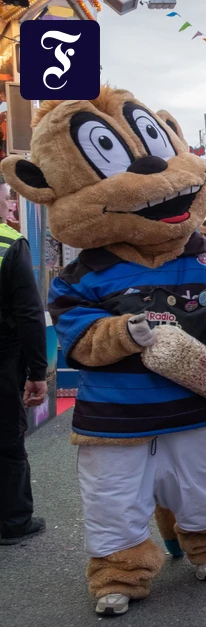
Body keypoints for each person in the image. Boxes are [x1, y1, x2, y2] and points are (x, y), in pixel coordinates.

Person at [0, 183, 48, 545]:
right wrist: (37, 372)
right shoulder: (9, 244)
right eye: (6, 201)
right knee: (7, 441)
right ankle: (14, 521)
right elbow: (30, 314)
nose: (13, 210)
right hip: (3, 359)